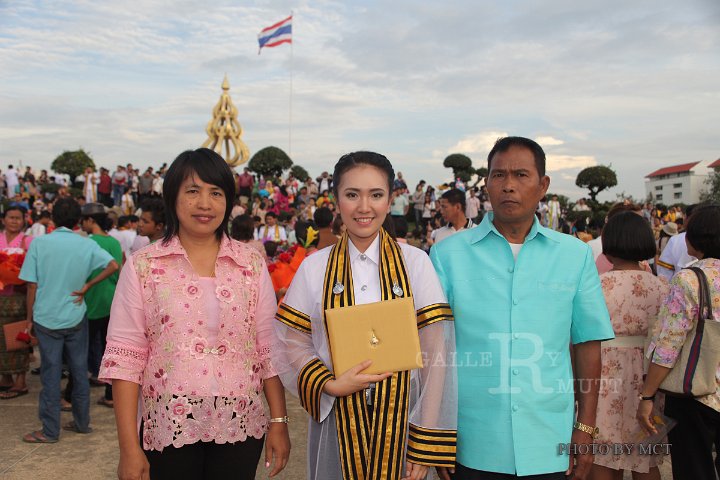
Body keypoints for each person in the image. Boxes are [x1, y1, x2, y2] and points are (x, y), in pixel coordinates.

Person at [99, 148, 290, 479]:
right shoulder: (144, 266)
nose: (205, 204)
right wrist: (129, 448)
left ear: (228, 201)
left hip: (240, 423)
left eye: (216, 193)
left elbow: (267, 349)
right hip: (169, 425)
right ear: (173, 197)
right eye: (193, 191)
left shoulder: (250, 264)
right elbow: (126, 358)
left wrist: (279, 421)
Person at [431, 137, 614, 479]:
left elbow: (588, 344)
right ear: (486, 184)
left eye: (521, 175)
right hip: (472, 441)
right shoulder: (447, 256)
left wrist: (585, 428)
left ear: (543, 185)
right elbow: (436, 347)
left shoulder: (574, 256)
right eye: (499, 175)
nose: (509, 186)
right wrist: (437, 431)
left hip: (548, 441)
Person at [274, 151, 457, 480]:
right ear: (336, 200)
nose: (363, 207)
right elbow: (292, 340)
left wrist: (426, 434)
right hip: (337, 419)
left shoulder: (415, 262)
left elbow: (436, 350)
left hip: (405, 418)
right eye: (352, 194)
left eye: (376, 195)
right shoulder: (315, 267)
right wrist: (329, 383)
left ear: (390, 200)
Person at [18, 198, 119, 443]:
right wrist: (88, 285)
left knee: (51, 374)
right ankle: (82, 423)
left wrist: (28, 319)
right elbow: (113, 265)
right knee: (79, 369)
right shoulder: (85, 243)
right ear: (78, 220)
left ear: (53, 218)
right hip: (75, 314)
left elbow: (31, 284)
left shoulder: (40, 243)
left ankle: (50, 431)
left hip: (46, 316)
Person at [638, 204, 720, 480]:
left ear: (693, 239)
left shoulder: (690, 280)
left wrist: (648, 394)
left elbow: (668, 345)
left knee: (694, 469)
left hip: (697, 394)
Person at [591, 212, 670, 480]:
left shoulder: (597, 286)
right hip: (649, 377)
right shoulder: (661, 286)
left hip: (604, 376)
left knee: (603, 456)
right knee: (645, 458)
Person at [77, 203, 122, 408]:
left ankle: (75, 391)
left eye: (83, 221)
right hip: (111, 298)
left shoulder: (88, 242)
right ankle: (110, 394)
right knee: (109, 348)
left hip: (92, 299)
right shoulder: (113, 241)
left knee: (83, 347)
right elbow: (120, 269)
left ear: (90, 221)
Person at [0, 207, 33, 399]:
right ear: (4, 219)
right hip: (1, 296)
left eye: (17, 218)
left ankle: (20, 379)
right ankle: (6, 377)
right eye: (10, 217)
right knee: (1, 340)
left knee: (18, 338)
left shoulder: (28, 241)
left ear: (23, 221)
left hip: (19, 297)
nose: (13, 221)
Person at [656, 204, 697, 281]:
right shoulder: (676, 239)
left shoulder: (676, 239)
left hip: (680, 289)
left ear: (685, 218)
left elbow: (664, 273)